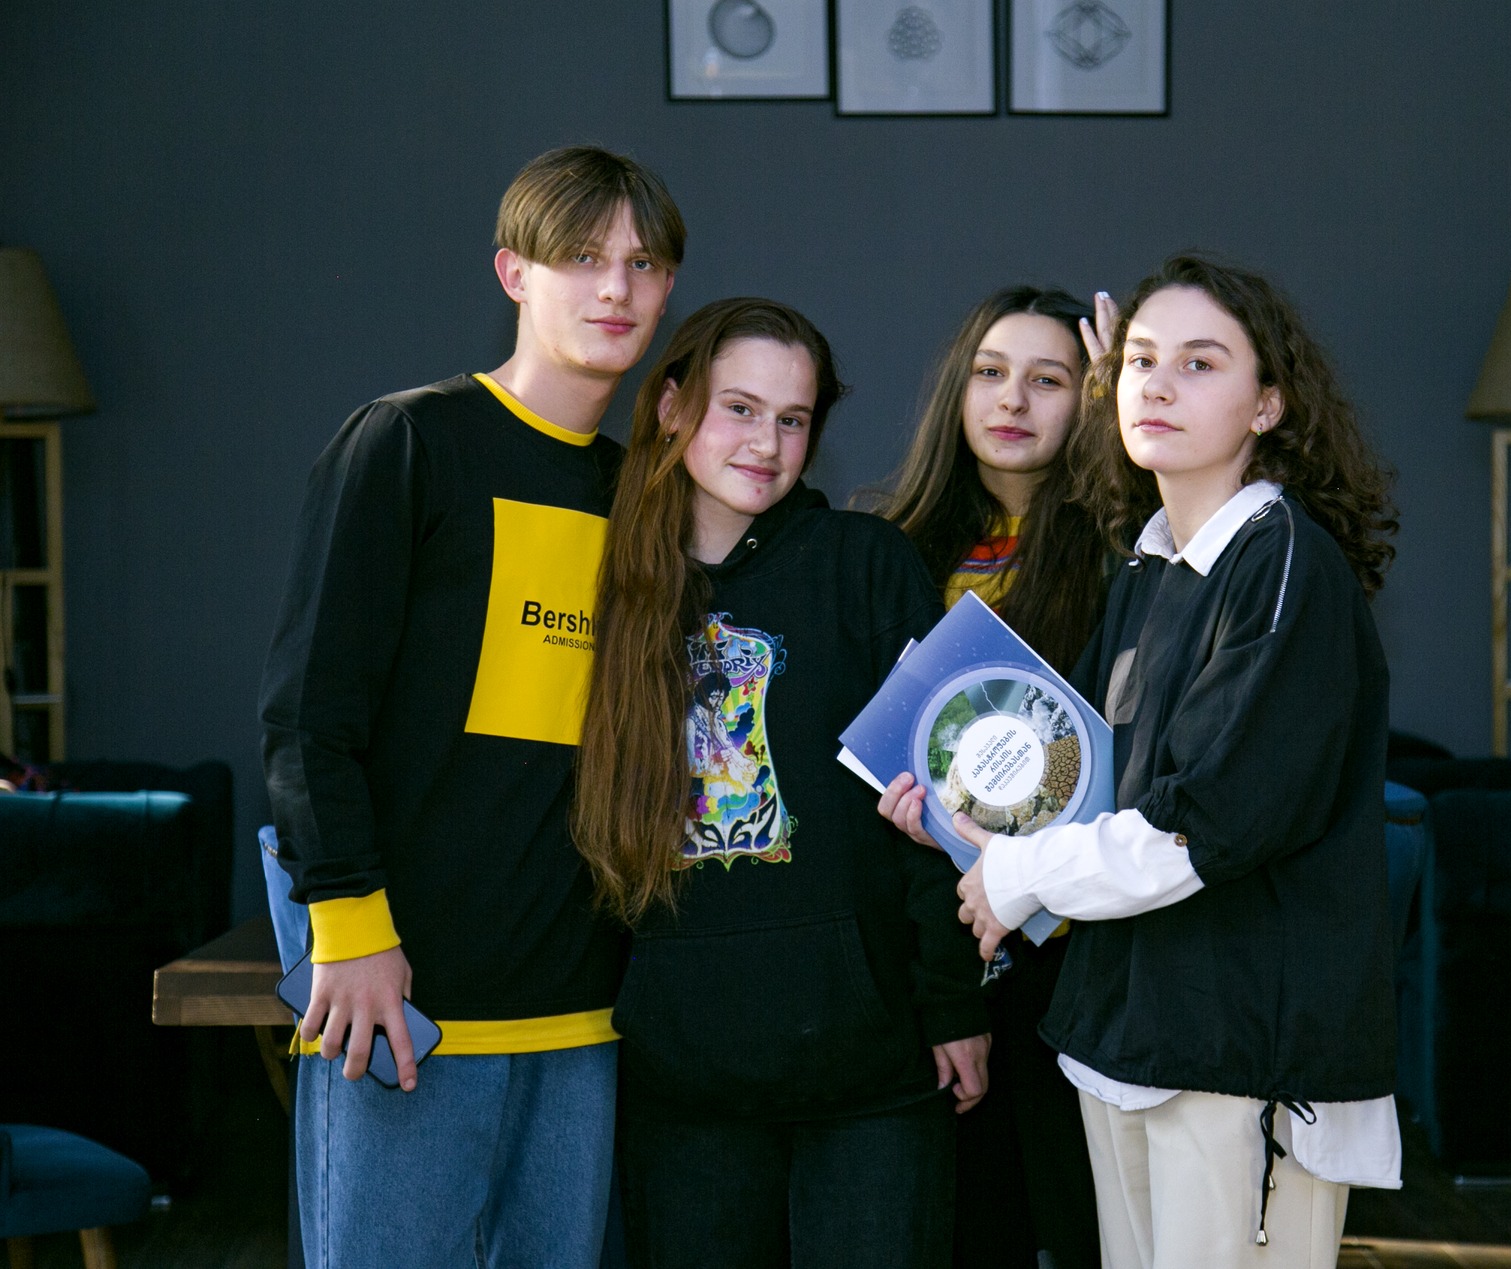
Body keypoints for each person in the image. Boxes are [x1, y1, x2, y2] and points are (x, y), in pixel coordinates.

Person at [880, 253, 1403, 1269]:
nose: (1158, 385)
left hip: (1242, 1057)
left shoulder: (1283, 562)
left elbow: (1206, 824)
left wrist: (1014, 874)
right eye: (1141, 360)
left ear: (1267, 405)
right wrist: (965, 831)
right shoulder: (1149, 566)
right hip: (1124, 1044)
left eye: (1200, 363)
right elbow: (1096, 790)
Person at [259, 146, 684, 1268]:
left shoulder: (643, 498)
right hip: (402, 1004)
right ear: (514, 273)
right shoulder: (408, 442)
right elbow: (307, 717)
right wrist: (350, 932)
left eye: (644, 264)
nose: (616, 288)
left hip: (583, 1021)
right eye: (582, 256)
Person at [573, 297, 992, 1269]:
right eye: (740, 409)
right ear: (671, 406)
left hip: (871, 1070)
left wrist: (953, 1003)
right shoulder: (612, 585)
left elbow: (938, 806)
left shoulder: (865, 564)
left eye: (793, 419)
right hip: (681, 1080)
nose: (766, 444)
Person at [874, 284, 1115, 1269]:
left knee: (1081, 1225)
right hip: (930, 951)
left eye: (1048, 379)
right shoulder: (888, 550)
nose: (1011, 399)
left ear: (1091, 401)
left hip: (1076, 954)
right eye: (989, 372)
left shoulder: (1125, 557)